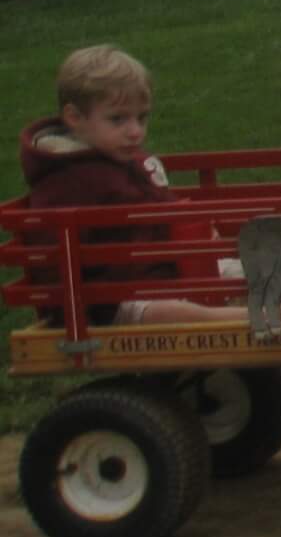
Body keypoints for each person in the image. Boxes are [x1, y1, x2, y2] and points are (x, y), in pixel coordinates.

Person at [20, 46, 238, 327]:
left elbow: (160, 206)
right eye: (118, 119)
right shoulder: (67, 179)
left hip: (162, 274)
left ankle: (280, 301)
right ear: (75, 118)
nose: (135, 131)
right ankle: (244, 318)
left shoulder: (123, 161)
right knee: (165, 312)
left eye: (142, 117)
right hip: (113, 299)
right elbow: (52, 256)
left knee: (237, 270)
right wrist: (69, 313)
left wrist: (192, 233)